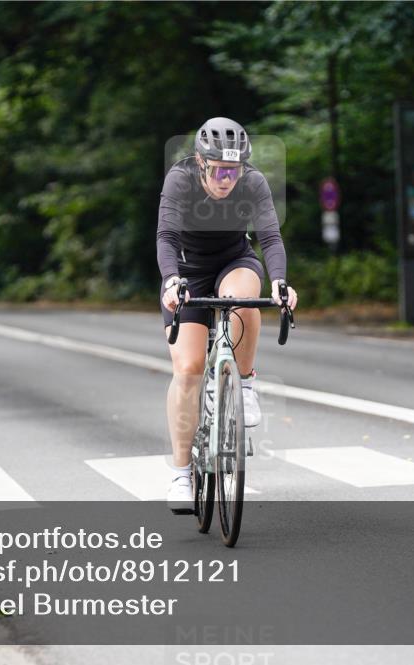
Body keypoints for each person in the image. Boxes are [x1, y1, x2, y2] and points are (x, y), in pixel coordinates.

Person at [157, 117, 298, 512]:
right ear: (201, 163)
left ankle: (246, 384)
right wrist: (170, 281)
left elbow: (269, 236)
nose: (227, 179)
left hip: (233, 260)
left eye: (233, 170)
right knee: (187, 369)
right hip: (186, 271)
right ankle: (181, 474)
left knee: (242, 298)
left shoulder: (252, 183)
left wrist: (281, 282)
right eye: (219, 170)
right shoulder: (180, 180)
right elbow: (166, 236)